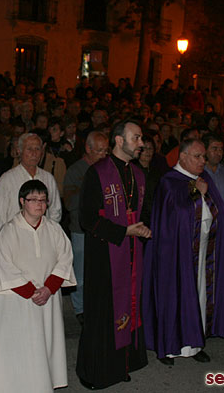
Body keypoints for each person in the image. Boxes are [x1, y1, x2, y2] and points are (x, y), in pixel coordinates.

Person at [0, 180, 76, 392]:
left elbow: (65, 258)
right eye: (33, 200)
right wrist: (31, 292)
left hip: (46, 299)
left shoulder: (54, 229)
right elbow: (3, 264)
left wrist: (49, 288)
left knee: (42, 347)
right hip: (15, 302)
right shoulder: (9, 231)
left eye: (43, 200)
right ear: (22, 201)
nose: (39, 205)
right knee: (16, 350)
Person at [76, 120, 151, 389]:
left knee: (130, 305)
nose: (141, 143)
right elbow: (86, 218)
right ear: (119, 141)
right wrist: (123, 232)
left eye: (141, 138)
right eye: (136, 138)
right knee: (104, 311)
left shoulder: (139, 174)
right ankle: (96, 372)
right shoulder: (97, 173)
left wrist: (143, 228)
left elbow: (146, 210)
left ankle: (122, 365)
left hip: (132, 254)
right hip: (104, 256)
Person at [143, 138, 224, 365]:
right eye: (197, 156)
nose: (203, 160)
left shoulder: (204, 178)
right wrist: (197, 193)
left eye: (204, 156)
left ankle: (194, 343)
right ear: (182, 157)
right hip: (175, 253)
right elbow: (176, 217)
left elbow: (218, 210)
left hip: (203, 251)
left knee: (200, 293)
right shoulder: (169, 182)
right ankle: (169, 348)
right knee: (175, 296)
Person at [62, 131, 109, 324]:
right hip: (81, 230)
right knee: (80, 273)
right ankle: (80, 308)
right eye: (99, 151)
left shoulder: (108, 169)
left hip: (102, 229)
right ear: (88, 149)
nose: (104, 155)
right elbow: (70, 202)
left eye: (106, 151)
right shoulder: (75, 171)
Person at [0, 133, 62, 239]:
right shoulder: (7, 179)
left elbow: (55, 211)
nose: (34, 153)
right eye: (29, 149)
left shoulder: (48, 178)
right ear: (19, 151)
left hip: (42, 238)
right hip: (14, 239)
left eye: (37, 149)